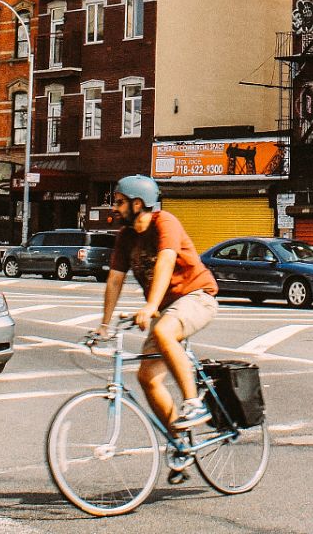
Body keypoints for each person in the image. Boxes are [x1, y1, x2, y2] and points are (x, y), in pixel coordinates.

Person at [95, 175, 219, 432]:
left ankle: (194, 403)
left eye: (119, 202)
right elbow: (115, 279)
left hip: (196, 297)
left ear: (137, 204)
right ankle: (180, 443)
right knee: (147, 377)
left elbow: (166, 261)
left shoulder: (165, 222)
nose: (114, 208)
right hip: (166, 309)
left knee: (163, 331)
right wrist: (104, 326)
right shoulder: (126, 236)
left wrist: (151, 306)